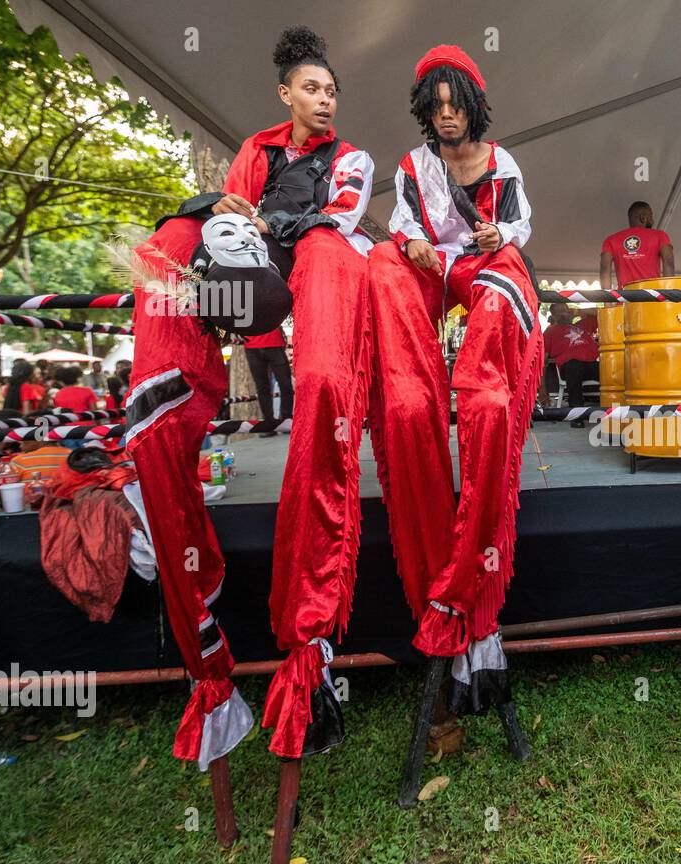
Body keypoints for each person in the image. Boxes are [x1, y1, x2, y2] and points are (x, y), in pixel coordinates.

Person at [125, 25, 375, 768]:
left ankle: (312, 638)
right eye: (313, 88)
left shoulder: (351, 157)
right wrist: (231, 220)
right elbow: (231, 207)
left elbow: (344, 213)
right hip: (255, 266)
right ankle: (160, 427)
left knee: (325, 375)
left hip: (318, 251)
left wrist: (272, 223)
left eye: (332, 90)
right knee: (172, 236)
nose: (325, 99)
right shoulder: (256, 149)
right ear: (286, 95)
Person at [366, 44, 539, 739]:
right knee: (380, 260)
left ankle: (479, 383)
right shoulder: (412, 168)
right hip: (432, 270)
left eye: (454, 102)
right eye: (434, 105)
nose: (444, 114)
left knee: (503, 279)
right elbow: (405, 224)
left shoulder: (503, 162)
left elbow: (521, 225)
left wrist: (500, 233)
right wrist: (410, 245)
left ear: (472, 104)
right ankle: (413, 389)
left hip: (484, 266)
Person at [542, 302, 599, 423]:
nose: (563, 313)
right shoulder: (549, 331)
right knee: (573, 365)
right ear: (553, 316)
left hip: (591, 363)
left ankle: (619, 410)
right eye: (559, 311)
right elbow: (542, 362)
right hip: (570, 367)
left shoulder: (582, 324)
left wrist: (578, 312)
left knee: (611, 368)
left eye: (565, 310)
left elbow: (601, 313)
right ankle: (577, 415)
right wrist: (543, 391)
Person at [599, 201, 674, 290]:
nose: (653, 220)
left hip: (625, 300)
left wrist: (607, 303)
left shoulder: (611, 240)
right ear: (643, 218)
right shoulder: (660, 236)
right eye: (651, 216)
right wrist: (667, 296)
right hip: (651, 298)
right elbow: (668, 261)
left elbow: (604, 269)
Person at [244, 324, 294, 430]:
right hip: (252, 346)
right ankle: (269, 423)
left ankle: (286, 419)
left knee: (286, 384)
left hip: (274, 343)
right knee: (262, 387)